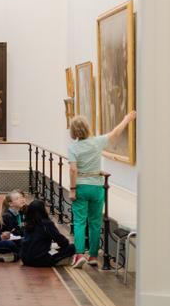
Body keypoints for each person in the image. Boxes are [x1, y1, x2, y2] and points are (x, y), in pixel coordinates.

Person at [68, 111, 137, 268]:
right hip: (97, 186)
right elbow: (115, 133)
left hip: (80, 186)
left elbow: (73, 170)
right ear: (87, 128)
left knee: (79, 221)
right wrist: (126, 119)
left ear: (73, 131)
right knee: (95, 221)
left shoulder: (73, 148)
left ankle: (79, 254)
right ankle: (93, 256)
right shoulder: (97, 142)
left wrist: (72, 189)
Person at [19, 200, 75, 267]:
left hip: (25, 259)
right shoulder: (46, 223)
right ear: (43, 210)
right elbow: (63, 242)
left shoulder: (28, 222)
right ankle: (60, 260)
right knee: (72, 247)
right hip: (39, 260)